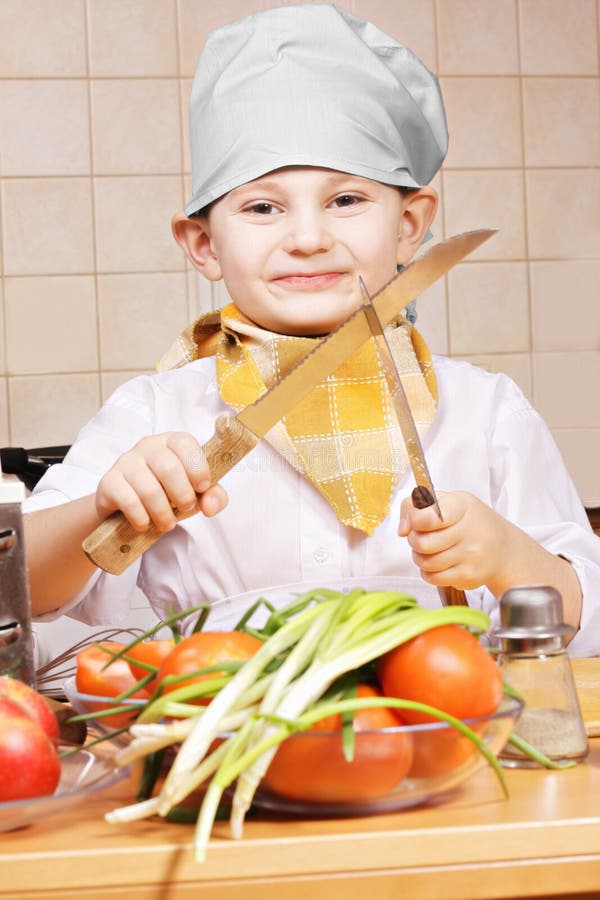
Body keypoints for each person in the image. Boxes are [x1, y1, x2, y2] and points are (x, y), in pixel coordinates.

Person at [23, 3, 600, 654]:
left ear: (410, 225)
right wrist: (105, 507)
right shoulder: (155, 415)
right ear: (203, 243)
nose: (306, 238)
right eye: (263, 206)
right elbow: (22, 592)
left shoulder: (489, 413)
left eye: (346, 200)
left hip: (458, 746)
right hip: (227, 745)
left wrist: (512, 559)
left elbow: (592, 623)